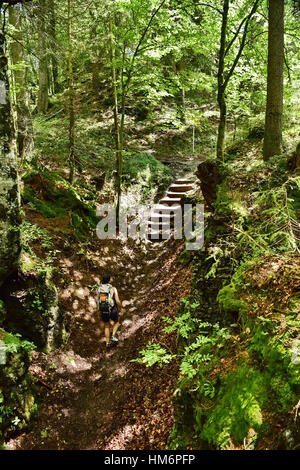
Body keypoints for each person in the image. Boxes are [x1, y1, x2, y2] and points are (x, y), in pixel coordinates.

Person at [97, 274, 122, 348]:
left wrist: (99, 309)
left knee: (106, 326)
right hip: (112, 309)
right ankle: (113, 336)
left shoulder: (99, 288)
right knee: (117, 322)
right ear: (109, 280)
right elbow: (117, 301)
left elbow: (98, 300)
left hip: (103, 309)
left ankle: (107, 343)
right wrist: (120, 307)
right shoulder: (113, 288)